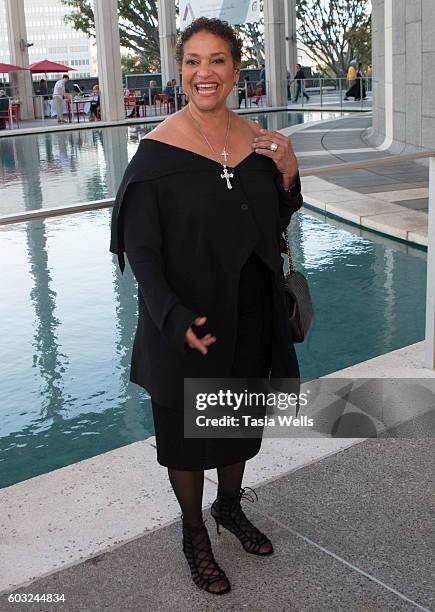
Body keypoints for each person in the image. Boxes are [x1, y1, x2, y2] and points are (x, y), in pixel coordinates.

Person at [110, 17, 303, 596]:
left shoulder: (259, 145)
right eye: (193, 61)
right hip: (187, 323)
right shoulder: (156, 155)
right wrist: (173, 319)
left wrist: (290, 177)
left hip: (249, 313)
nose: (204, 73)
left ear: (236, 70)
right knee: (187, 438)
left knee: (239, 424)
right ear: (180, 70)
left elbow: (274, 224)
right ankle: (194, 530)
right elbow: (139, 253)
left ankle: (228, 507)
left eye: (217, 60)